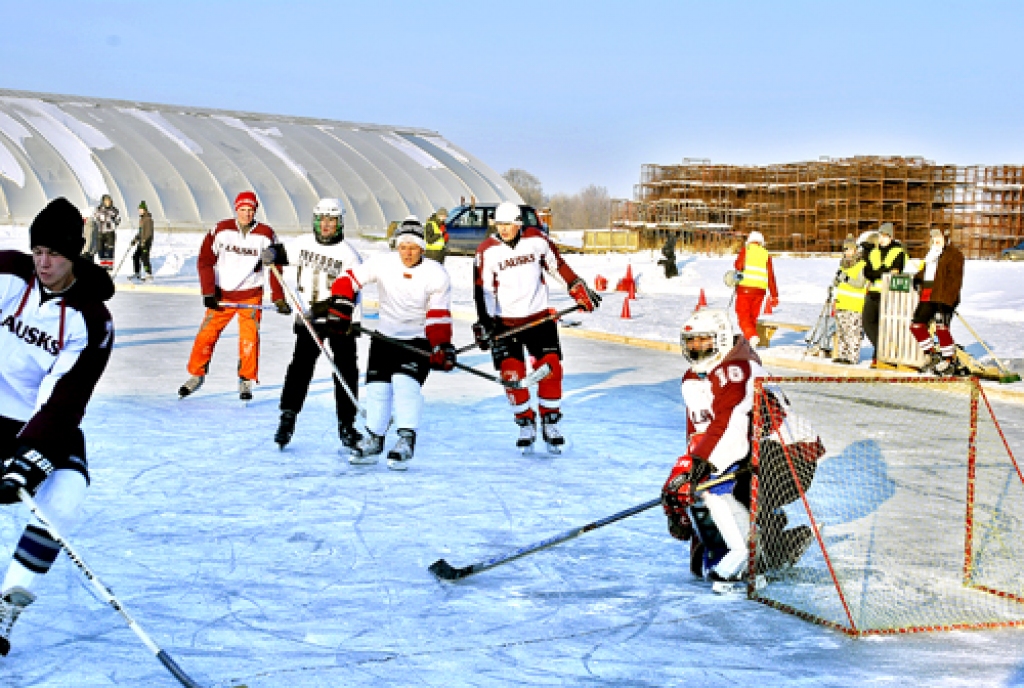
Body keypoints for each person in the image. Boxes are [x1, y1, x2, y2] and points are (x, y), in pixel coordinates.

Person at [0, 197, 115, 655]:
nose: (43, 263)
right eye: (38, 251)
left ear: (74, 255)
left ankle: (6, 605)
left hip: (34, 418)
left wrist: (29, 456)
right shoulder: (8, 274)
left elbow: (66, 397)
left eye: (54, 254)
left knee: (68, 492)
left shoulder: (93, 320)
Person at [660, 309, 819, 591]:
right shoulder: (694, 379)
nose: (696, 348)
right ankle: (772, 543)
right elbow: (701, 438)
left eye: (704, 341)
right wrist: (683, 487)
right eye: (691, 342)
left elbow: (729, 430)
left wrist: (696, 469)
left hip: (789, 457)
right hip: (749, 454)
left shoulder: (738, 369)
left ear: (721, 339)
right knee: (708, 506)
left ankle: (761, 549)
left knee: (725, 486)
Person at [327, 216, 455, 470]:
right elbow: (348, 280)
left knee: (405, 385)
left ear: (422, 248)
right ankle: (374, 440)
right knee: (377, 389)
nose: (407, 253)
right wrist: (342, 305)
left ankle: (406, 440)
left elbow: (438, 314)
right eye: (403, 247)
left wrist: (440, 345)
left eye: (413, 247)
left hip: (417, 340)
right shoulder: (382, 263)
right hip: (384, 338)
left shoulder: (436, 273)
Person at [472, 201, 601, 453]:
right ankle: (525, 422)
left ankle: (550, 422)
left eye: (509, 224)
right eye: (500, 224)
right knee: (511, 375)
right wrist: (485, 323)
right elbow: (483, 290)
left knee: (551, 369)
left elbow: (557, 265)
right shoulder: (487, 251)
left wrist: (576, 287)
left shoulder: (536, 239)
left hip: (539, 318)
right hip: (504, 324)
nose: (504, 229)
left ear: (519, 223)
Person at [179, 191, 290, 401]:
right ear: (236, 209)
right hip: (222, 295)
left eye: (250, 210)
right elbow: (205, 261)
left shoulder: (266, 233)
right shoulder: (221, 230)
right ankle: (196, 374)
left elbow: (277, 265)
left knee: (249, 339)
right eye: (242, 209)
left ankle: (246, 379)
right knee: (206, 335)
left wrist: (278, 297)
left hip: (251, 295)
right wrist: (208, 291)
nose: (246, 214)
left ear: (255, 211)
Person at [274, 198, 363, 451]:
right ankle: (288, 417)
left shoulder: (349, 255)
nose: (326, 225)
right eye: (322, 219)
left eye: (331, 220)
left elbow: (353, 291)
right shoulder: (302, 243)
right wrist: (271, 253)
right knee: (300, 367)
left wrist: (331, 312)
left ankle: (347, 425)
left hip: (339, 319)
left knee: (345, 371)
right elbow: (279, 254)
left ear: (340, 223)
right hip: (309, 320)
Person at [910, 229, 965, 375]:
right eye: (934, 237)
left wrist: (949, 300)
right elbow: (926, 271)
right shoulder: (931, 254)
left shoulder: (954, 254)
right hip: (927, 296)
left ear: (945, 237)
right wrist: (917, 279)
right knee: (916, 325)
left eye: (939, 236)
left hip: (943, 297)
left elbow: (955, 279)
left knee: (941, 328)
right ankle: (932, 354)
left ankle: (949, 360)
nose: (936, 239)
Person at [861, 223, 906, 365]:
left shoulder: (898, 252)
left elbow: (895, 271)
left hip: (888, 294)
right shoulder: (873, 252)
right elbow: (867, 272)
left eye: (885, 236)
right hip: (873, 292)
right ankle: (882, 349)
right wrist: (883, 271)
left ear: (891, 237)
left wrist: (878, 273)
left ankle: (878, 357)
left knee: (884, 326)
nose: (882, 239)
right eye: (880, 236)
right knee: (867, 322)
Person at [732, 231, 778, 347]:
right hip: (760, 292)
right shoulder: (765, 254)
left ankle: (752, 336)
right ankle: (750, 343)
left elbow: (738, 266)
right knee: (752, 317)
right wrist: (774, 295)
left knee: (743, 316)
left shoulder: (746, 250)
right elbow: (771, 276)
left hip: (745, 289)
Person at [832, 235, 869, 365]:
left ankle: (852, 357)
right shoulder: (843, 265)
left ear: (855, 250)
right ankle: (842, 355)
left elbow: (859, 283)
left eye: (850, 249)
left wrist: (845, 278)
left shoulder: (862, 265)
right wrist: (836, 282)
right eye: (845, 249)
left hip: (855, 304)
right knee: (842, 331)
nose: (847, 252)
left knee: (853, 332)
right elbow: (839, 281)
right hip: (842, 302)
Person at [92, 194, 120, 271]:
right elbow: (94, 218)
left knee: (109, 251)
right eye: (106, 201)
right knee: (100, 251)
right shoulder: (98, 210)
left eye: (109, 201)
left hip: (109, 233)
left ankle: (109, 268)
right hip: (100, 233)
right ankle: (103, 267)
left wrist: (113, 222)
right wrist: (98, 221)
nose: (108, 202)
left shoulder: (114, 210)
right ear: (103, 202)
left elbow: (118, 220)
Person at [130, 200, 155, 281]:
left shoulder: (148, 219)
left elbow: (148, 232)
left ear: (145, 210)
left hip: (146, 242)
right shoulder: (142, 219)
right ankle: (137, 273)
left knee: (144, 257)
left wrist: (144, 241)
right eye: (139, 210)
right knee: (135, 256)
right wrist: (135, 240)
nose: (140, 211)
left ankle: (148, 274)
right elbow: (140, 232)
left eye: (141, 210)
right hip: (141, 242)